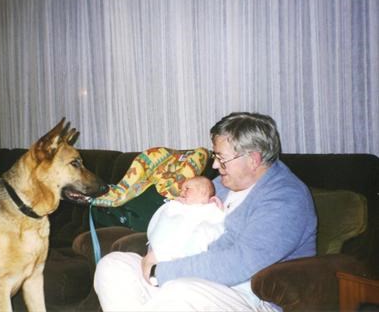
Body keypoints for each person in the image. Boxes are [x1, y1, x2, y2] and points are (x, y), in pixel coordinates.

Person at [94, 112, 317, 311]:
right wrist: (155, 252)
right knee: (113, 266)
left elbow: (238, 263)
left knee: (180, 294)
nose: (214, 167)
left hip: (249, 297)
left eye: (222, 158)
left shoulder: (286, 198)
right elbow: (179, 216)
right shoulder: (222, 184)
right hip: (186, 279)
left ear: (253, 159)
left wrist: (160, 272)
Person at [147, 176, 225, 262]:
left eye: (187, 189)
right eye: (181, 190)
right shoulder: (177, 206)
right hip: (155, 250)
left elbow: (214, 228)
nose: (181, 193)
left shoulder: (210, 210)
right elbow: (161, 220)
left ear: (203, 192)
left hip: (181, 256)